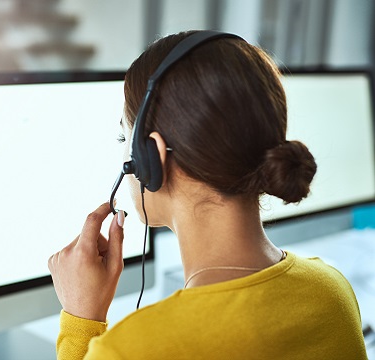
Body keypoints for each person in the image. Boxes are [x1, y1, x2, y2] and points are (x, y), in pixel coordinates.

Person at [48, 30, 367, 359]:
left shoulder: (135, 348)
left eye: (123, 139)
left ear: (150, 156)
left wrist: (80, 318)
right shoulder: (331, 290)